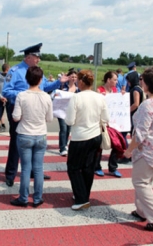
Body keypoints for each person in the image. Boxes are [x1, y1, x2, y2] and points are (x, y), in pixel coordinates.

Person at [2, 43, 68, 187]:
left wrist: (58, 82)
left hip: (36, 110)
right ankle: (10, 174)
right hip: (19, 108)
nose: (38, 60)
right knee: (16, 142)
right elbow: (6, 91)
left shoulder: (39, 72)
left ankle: (33, 170)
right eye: (36, 57)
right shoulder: (15, 71)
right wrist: (26, 95)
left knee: (35, 140)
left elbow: (44, 87)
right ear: (28, 57)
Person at [123, 67, 153, 231]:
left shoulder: (148, 105)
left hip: (147, 150)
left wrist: (129, 150)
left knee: (140, 182)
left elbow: (140, 133)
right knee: (146, 180)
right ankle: (141, 211)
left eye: (142, 80)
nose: (141, 82)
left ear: (148, 83)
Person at [65, 69, 109, 210]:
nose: (76, 82)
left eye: (78, 80)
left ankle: (81, 198)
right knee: (88, 167)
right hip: (95, 136)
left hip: (80, 137)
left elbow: (69, 121)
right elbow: (106, 119)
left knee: (74, 167)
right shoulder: (100, 97)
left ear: (82, 82)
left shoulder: (76, 98)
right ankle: (84, 194)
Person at [10, 66, 53, 208]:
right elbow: (50, 118)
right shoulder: (46, 96)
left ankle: (23, 198)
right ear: (41, 80)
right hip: (40, 134)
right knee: (39, 168)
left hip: (24, 134)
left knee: (26, 169)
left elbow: (15, 117)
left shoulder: (21, 96)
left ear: (27, 79)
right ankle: (37, 198)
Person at [94, 71, 122, 178]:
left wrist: (122, 96)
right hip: (102, 123)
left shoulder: (115, 91)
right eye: (114, 80)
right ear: (108, 80)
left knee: (117, 145)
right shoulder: (99, 91)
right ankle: (97, 167)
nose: (116, 82)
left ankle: (113, 167)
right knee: (100, 146)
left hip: (114, 123)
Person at [57, 69, 79, 156]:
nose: (73, 78)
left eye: (75, 77)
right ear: (68, 77)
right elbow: (57, 95)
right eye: (72, 76)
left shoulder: (78, 89)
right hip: (61, 111)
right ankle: (62, 148)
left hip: (71, 111)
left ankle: (65, 144)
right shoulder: (63, 86)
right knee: (63, 128)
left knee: (68, 129)